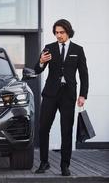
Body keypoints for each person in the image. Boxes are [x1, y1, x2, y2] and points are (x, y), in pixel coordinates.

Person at [34, 19, 89, 176]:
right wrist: (40, 62)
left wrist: (83, 95)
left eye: (61, 32)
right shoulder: (49, 48)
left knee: (66, 131)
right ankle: (44, 163)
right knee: (43, 128)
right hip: (50, 94)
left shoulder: (78, 50)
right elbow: (37, 69)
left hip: (68, 95)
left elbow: (84, 74)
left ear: (68, 32)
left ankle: (65, 165)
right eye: (56, 32)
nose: (58, 35)